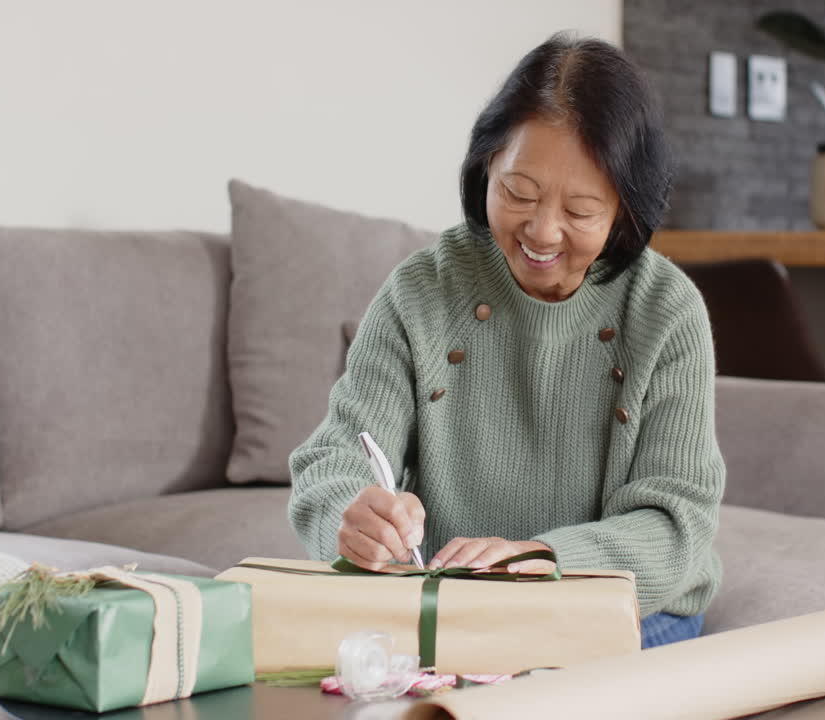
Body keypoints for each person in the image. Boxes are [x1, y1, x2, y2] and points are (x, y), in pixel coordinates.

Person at [288, 33, 725, 649]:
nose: (542, 232)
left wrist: (543, 559)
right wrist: (350, 512)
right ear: (485, 166)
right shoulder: (422, 290)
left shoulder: (665, 311)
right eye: (518, 193)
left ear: (624, 210)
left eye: (580, 211)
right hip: (455, 605)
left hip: (619, 606)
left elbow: (676, 522)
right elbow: (335, 455)